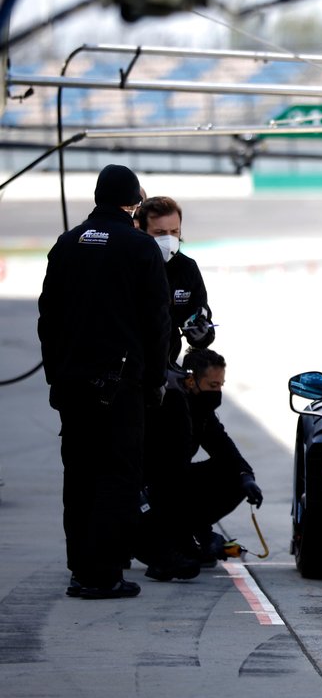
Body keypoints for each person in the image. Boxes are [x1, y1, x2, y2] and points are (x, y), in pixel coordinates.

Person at [38, 164, 171, 599]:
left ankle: (81, 571)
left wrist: (55, 376)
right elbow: (157, 324)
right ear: (133, 201)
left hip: (72, 385)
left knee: (78, 477)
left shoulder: (66, 244)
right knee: (117, 477)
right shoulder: (139, 247)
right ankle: (105, 575)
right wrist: (155, 380)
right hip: (119, 386)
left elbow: (47, 320)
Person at [142, 347, 262, 567]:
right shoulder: (171, 404)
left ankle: (186, 537)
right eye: (212, 385)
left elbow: (223, 446)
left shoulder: (199, 407)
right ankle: (173, 541)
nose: (217, 392)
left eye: (220, 386)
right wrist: (203, 534)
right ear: (190, 381)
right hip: (147, 490)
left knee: (233, 474)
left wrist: (246, 475)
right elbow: (169, 473)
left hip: (170, 483)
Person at [134, 196, 215, 364]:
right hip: (128, 367)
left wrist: (201, 332)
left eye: (174, 232)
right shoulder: (128, 266)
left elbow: (201, 315)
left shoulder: (187, 268)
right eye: (160, 233)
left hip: (167, 364)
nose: (169, 239)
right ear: (142, 230)